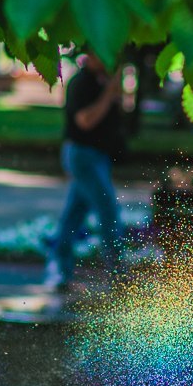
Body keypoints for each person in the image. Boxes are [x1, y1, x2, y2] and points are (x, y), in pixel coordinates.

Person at [45, 53, 126, 290]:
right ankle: (118, 274)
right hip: (84, 156)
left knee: (74, 214)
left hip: (97, 156)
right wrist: (109, 94)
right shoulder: (82, 83)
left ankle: (60, 267)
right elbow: (85, 121)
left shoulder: (101, 80)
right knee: (108, 211)